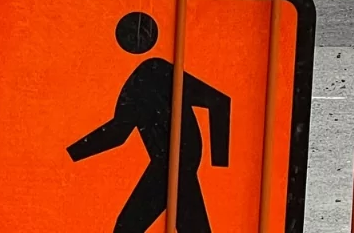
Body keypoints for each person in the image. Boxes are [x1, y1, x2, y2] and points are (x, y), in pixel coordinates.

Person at [68, 13, 232, 233]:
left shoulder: (154, 71)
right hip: (174, 163)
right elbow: (118, 133)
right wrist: (71, 153)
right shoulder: (138, 82)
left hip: (174, 163)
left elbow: (218, 102)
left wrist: (219, 163)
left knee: (128, 226)